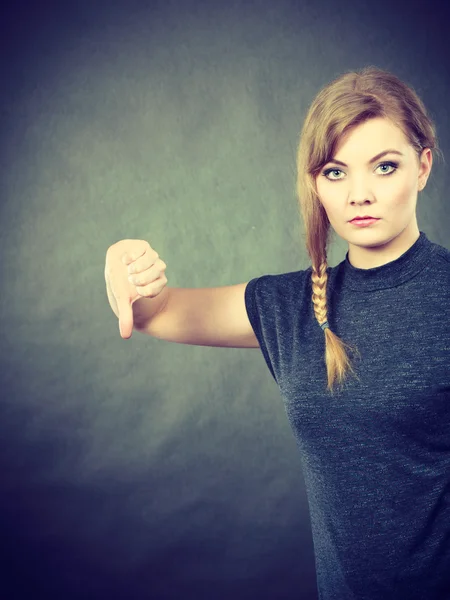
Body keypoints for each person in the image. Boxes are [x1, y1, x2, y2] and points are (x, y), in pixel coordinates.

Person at [104, 66, 450, 599]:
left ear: (423, 167)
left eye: (384, 166)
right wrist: (123, 260)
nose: (359, 194)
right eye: (336, 172)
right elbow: (156, 313)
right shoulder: (291, 306)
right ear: (316, 182)